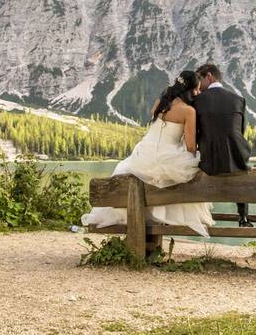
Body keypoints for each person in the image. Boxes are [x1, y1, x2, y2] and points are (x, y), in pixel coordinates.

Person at [80, 70, 215, 237]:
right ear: (191, 89)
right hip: (167, 155)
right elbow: (190, 146)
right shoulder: (188, 111)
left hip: (144, 153)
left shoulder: (161, 102)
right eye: (197, 89)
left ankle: (152, 216)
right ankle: (163, 217)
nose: (198, 93)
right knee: (191, 170)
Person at [193, 63, 254, 227]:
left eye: (200, 79)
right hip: (238, 155)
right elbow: (240, 131)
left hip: (210, 158)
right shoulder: (238, 99)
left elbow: (195, 132)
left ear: (209, 76)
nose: (198, 84)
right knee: (240, 170)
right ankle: (244, 217)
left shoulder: (197, 100)